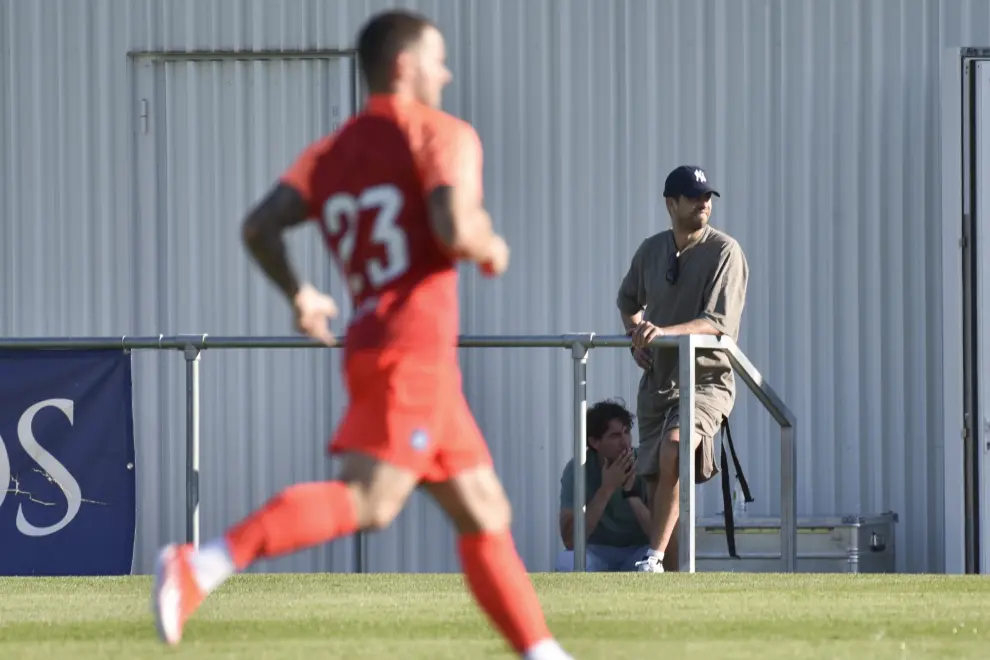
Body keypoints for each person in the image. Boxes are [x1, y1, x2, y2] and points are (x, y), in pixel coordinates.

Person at [150, 10, 573, 659]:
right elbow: (454, 227)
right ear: (404, 67)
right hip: (412, 349)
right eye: (438, 60)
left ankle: (543, 653)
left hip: (382, 345)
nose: (447, 72)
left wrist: (300, 294)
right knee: (370, 501)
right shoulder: (441, 132)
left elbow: (259, 226)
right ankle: (201, 564)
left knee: (484, 509)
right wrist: (492, 244)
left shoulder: (330, 152)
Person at [615, 165, 749, 573]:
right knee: (657, 487)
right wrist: (636, 337)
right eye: (694, 197)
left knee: (677, 446)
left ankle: (651, 557)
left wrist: (660, 332)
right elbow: (627, 302)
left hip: (706, 381)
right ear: (670, 204)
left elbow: (716, 323)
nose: (703, 203)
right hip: (658, 386)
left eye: (708, 196)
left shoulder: (725, 251)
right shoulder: (651, 250)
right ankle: (668, 582)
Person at [555, 399, 651, 572]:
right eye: (615, 436)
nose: (625, 442)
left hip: (638, 549)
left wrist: (630, 493)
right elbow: (570, 540)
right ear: (594, 442)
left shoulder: (645, 462)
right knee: (566, 561)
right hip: (597, 551)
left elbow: (657, 533)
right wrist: (606, 489)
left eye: (627, 432)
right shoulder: (578, 469)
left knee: (655, 561)